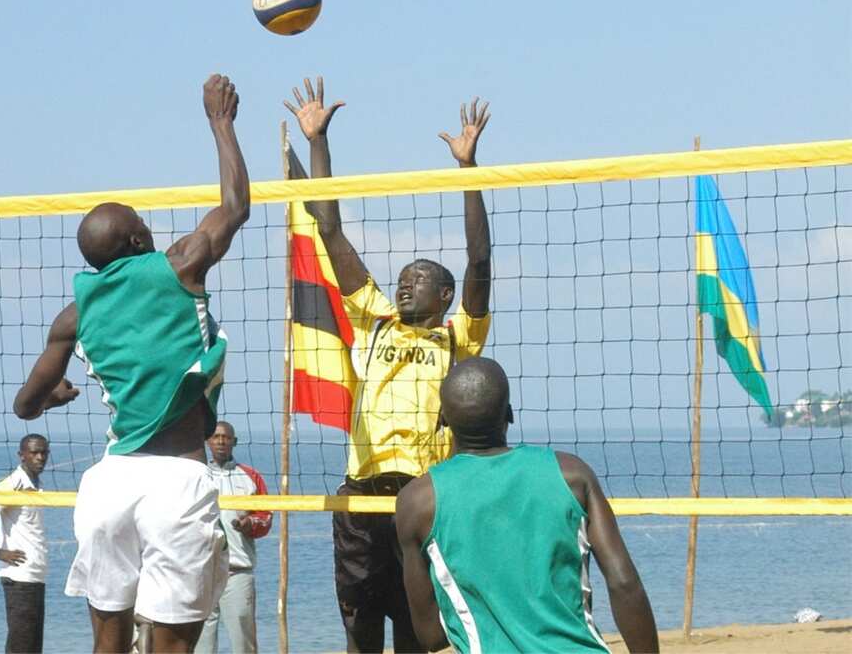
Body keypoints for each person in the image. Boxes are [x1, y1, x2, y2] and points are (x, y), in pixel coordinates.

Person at [12, 73, 250, 654]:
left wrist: (55, 397)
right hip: (176, 477)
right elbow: (236, 206)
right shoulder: (178, 265)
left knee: (109, 641)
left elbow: (24, 407)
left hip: (110, 483)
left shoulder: (74, 314)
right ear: (140, 241)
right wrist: (221, 122)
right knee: (172, 646)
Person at [285, 77, 493, 653]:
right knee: (359, 626)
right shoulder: (375, 319)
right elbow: (330, 229)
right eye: (402, 278)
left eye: (419, 278)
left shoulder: (459, 336)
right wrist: (318, 141)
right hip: (362, 494)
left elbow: (479, 257)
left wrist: (467, 171)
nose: (405, 285)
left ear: (445, 295)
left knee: (418, 629)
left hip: (424, 493)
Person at [395, 357, 660, 653]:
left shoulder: (417, 502)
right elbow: (624, 584)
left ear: (442, 419)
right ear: (508, 413)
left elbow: (430, 636)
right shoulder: (571, 474)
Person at [0, 433, 53, 654]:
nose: (40, 457)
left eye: (44, 452)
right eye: (34, 452)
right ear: (22, 455)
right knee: (21, 647)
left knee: (33, 647)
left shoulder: (35, 483)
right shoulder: (13, 484)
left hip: (35, 575)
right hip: (19, 577)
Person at [195, 421, 273, 654]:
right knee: (202, 640)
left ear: (234, 442)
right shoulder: (196, 474)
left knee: (243, 637)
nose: (221, 441)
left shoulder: (250, 476)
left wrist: (249, 524)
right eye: (216, 437)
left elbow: (265, 517)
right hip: (202, 570)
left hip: (237, 569)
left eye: (226, 438)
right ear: (208, 441)